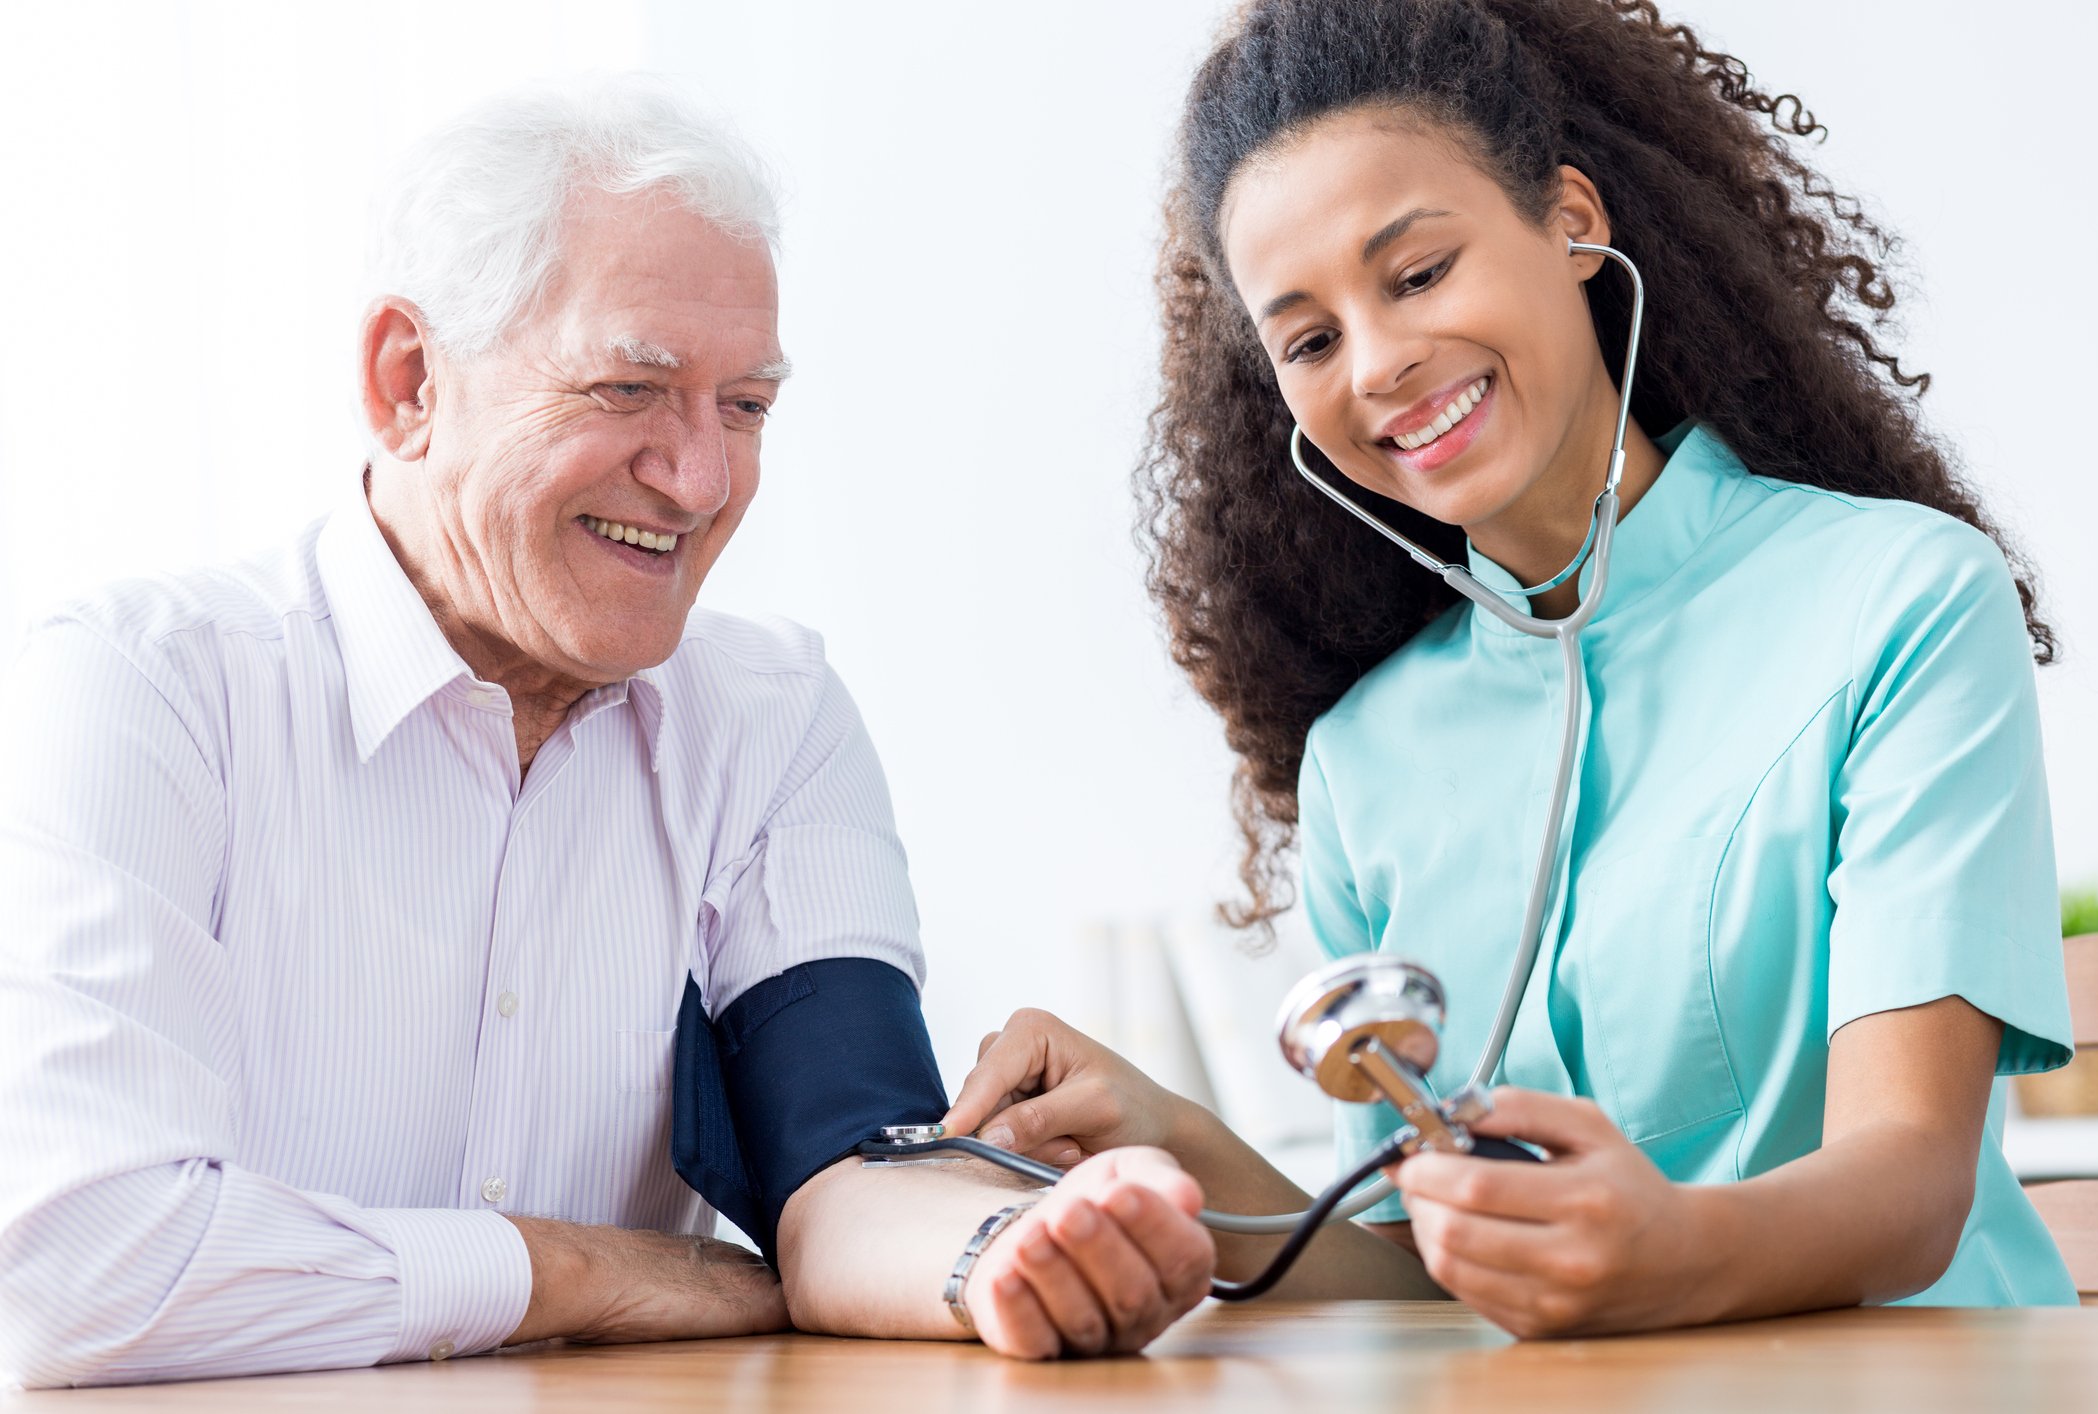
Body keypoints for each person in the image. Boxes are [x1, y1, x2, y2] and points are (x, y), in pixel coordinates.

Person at [0, 77, 1212, 1388]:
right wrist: (568, 1269)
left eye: (744, 407)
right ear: (408, 382)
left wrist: (1006, 1247)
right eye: (631, 389)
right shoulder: (141, 692)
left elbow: (849, 1161)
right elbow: (80, 1269)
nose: (699, 481)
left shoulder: (771, 717)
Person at [946, 0, 2077, 1335]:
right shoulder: (1363, 756)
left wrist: (1669, 1248)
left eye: (1416, 273)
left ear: (1572, 221)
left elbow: (1910, 1184)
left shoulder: (1897, 601)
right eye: (1307, 339)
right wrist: (1169, 1135)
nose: (1376, 365)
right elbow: (1425, 1276)